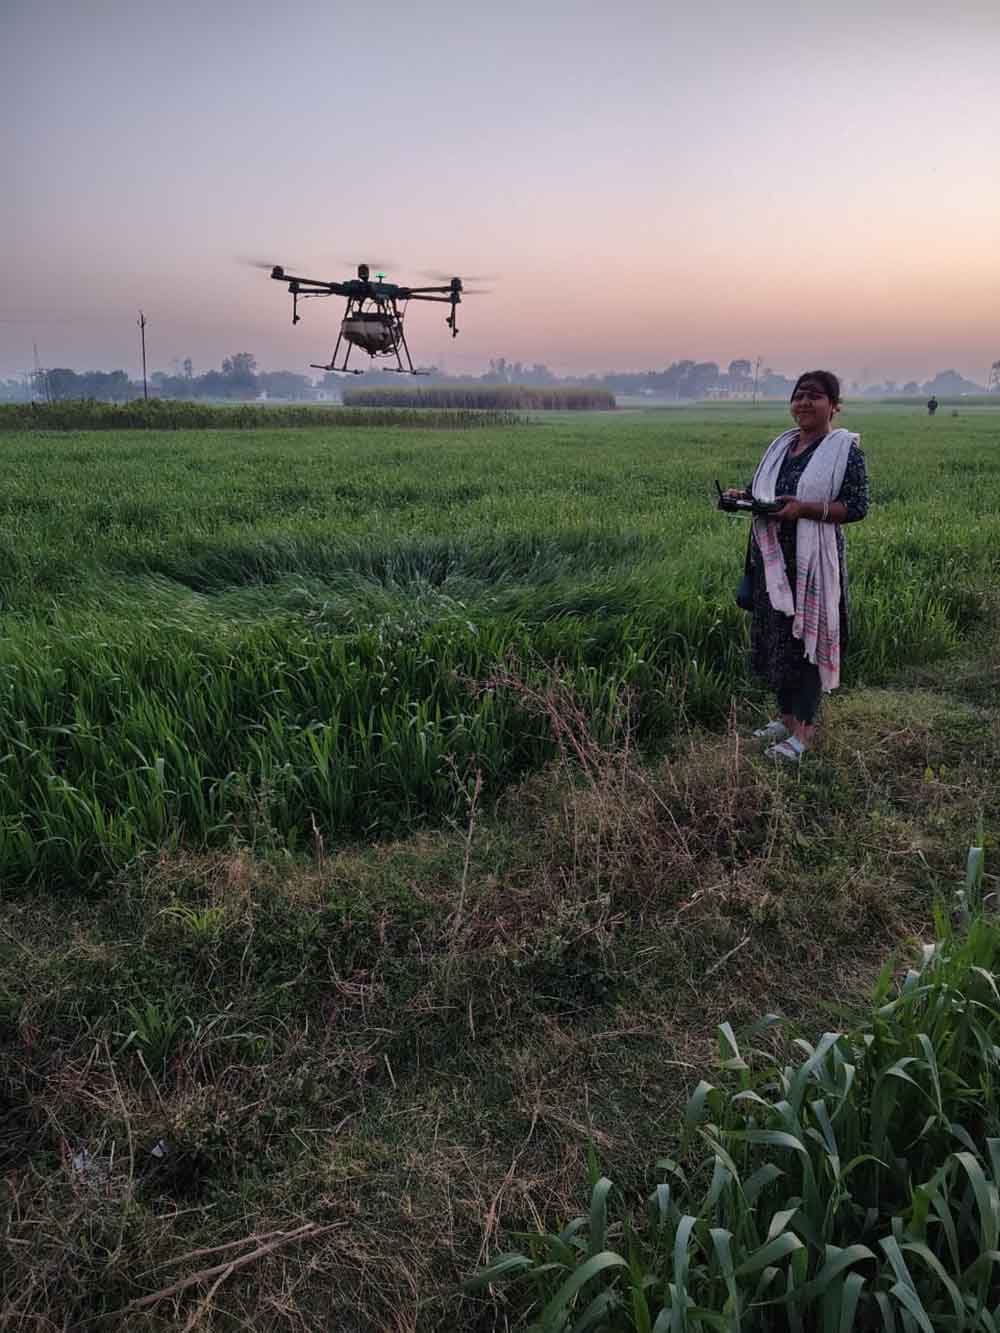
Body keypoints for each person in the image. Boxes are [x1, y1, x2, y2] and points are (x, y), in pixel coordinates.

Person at [724, 370, 869, 761]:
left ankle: (805, 733)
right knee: (777, 641)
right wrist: (743, 497)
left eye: (815, 396)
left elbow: (857, 507)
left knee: (806, 643)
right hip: (772, 561)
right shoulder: (782, 447)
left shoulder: (844, 450)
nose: (804, 402)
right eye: (799, 395)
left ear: (834, 406)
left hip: (812, 563)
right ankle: (787, 718)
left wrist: (804, 509)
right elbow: (767, 494)